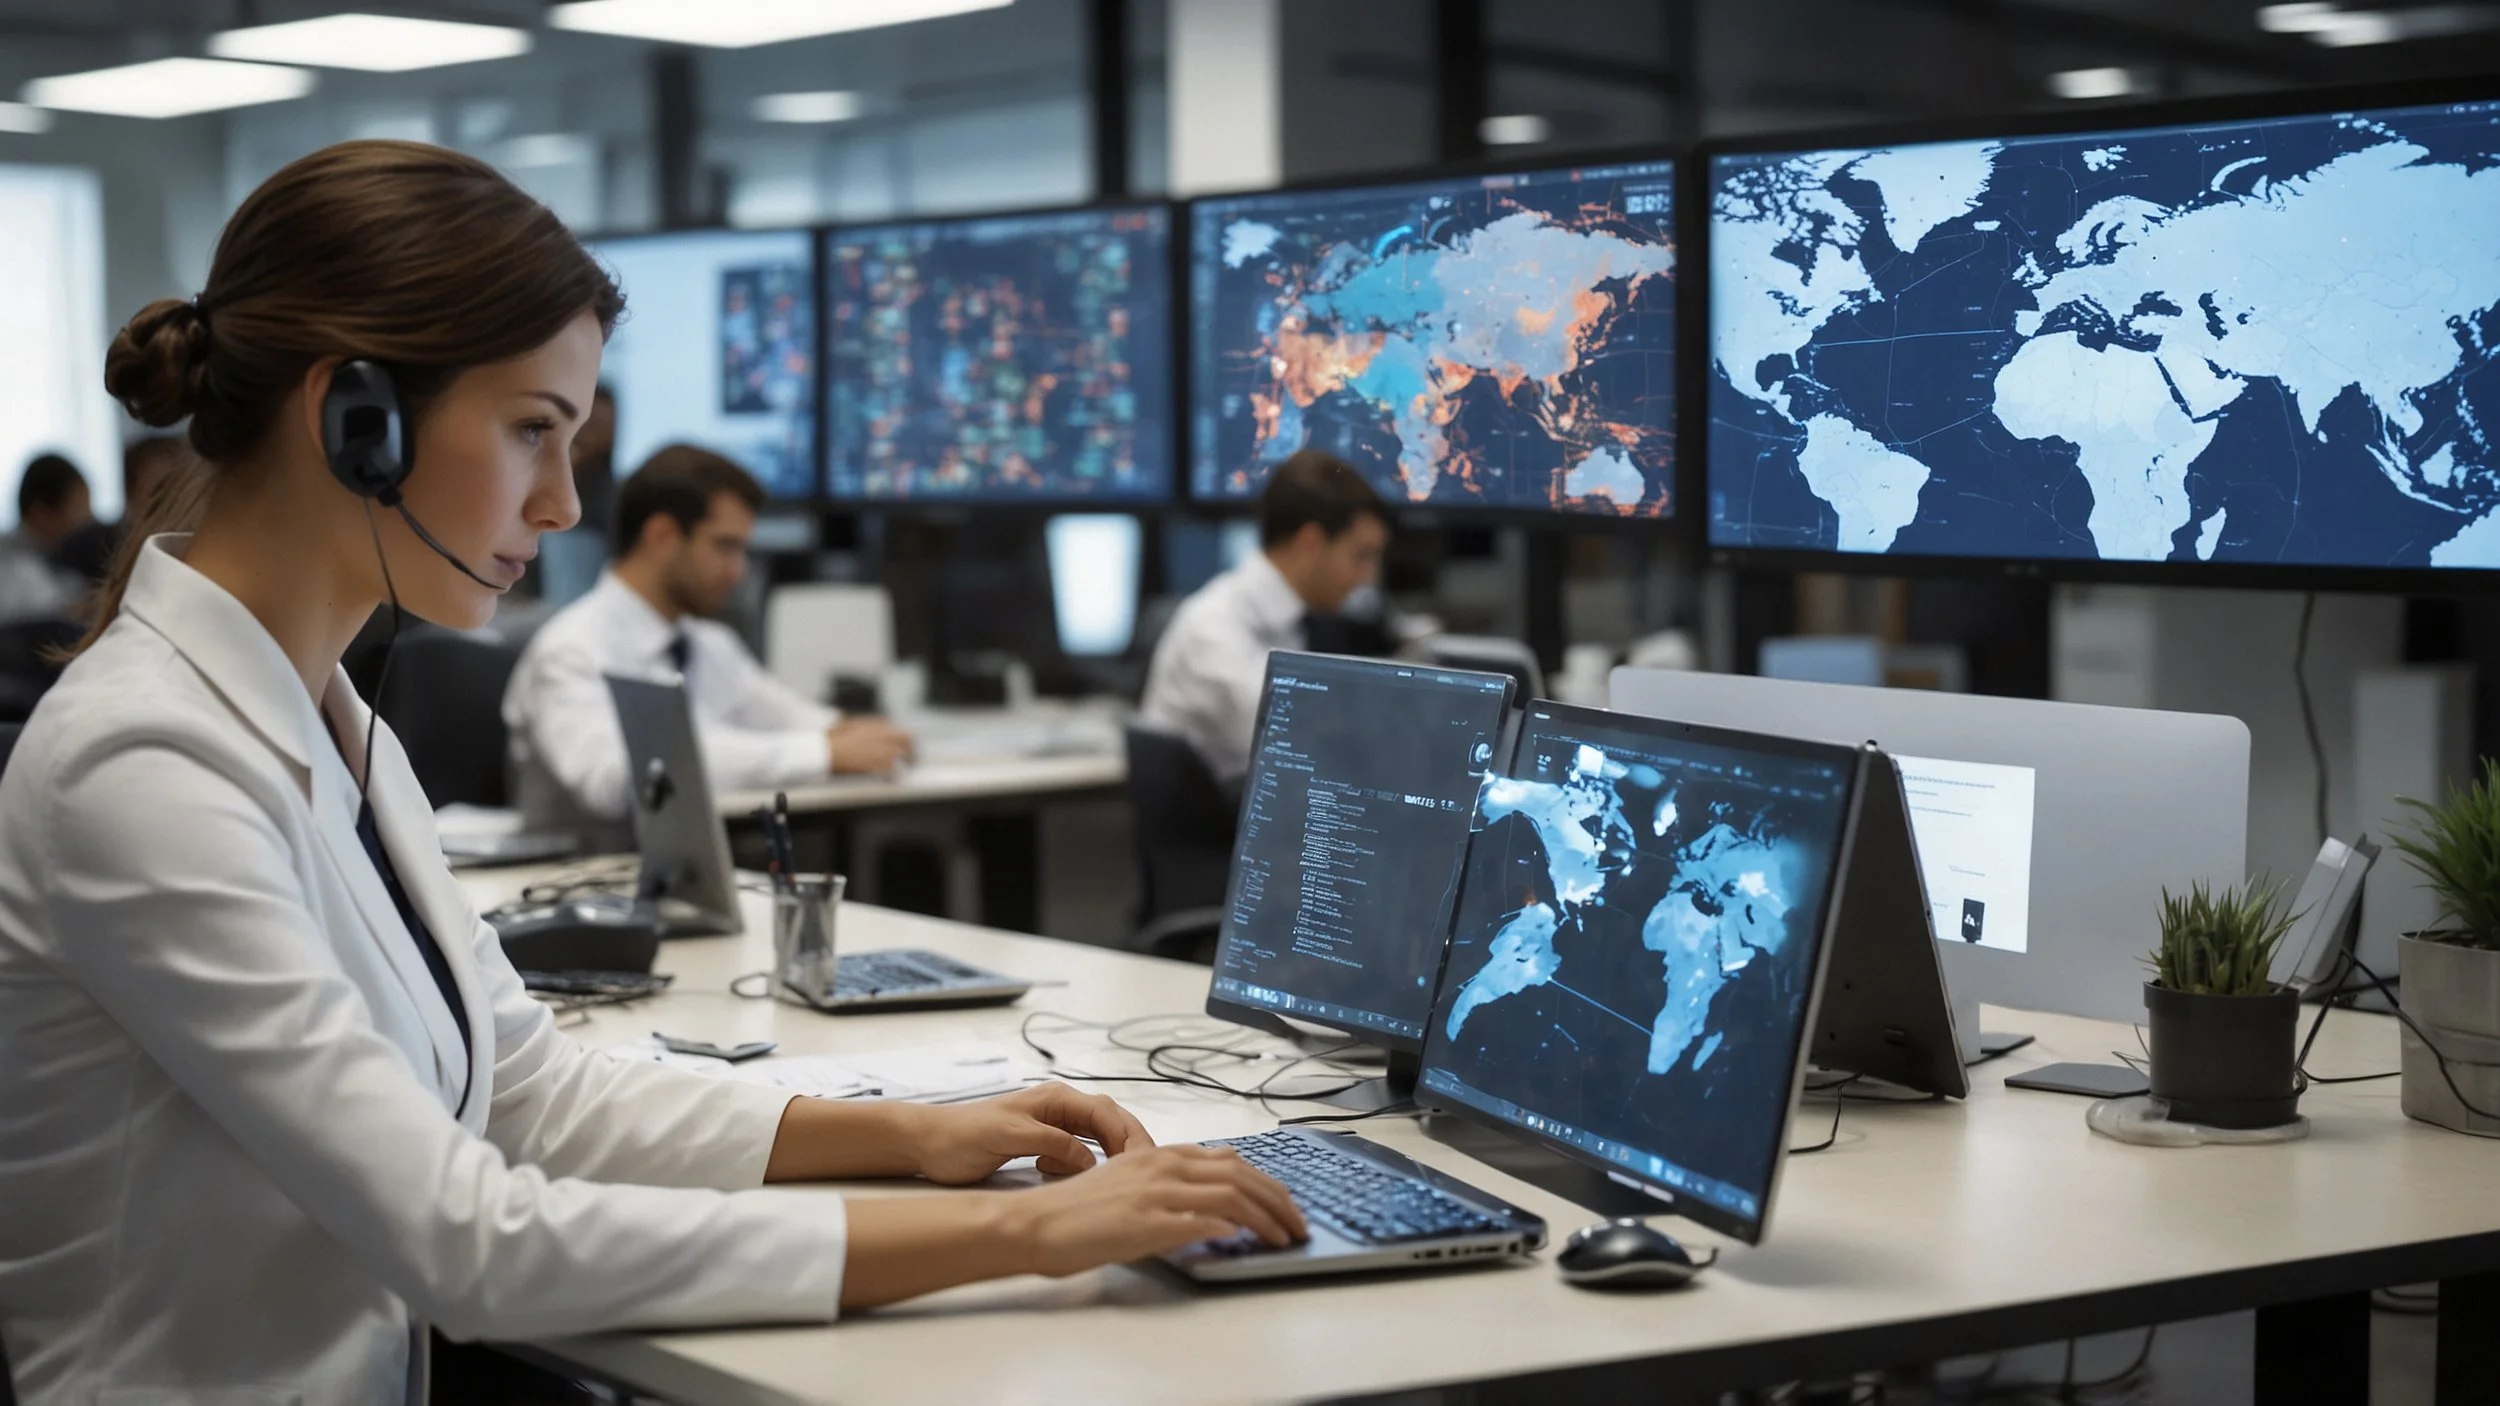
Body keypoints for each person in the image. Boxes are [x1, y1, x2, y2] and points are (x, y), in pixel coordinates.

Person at [0, 140, 1302, 1406]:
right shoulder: (143, 762)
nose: (564, 503)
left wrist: (914, 1130)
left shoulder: (334, 724)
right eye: (532, 432)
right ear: (357, 422)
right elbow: (472, 1239)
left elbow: (527, 1092)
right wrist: (1032, 1235)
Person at [503, 443, 918, 847]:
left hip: (683, 882)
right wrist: (821, 752)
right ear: (662, 535)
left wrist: (852, 733)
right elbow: (618, 779)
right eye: (725, 546)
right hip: (575, 886)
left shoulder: (707, 643)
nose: (738, 572)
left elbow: (787, 716)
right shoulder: (571, 649)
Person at [1140, 448, 1390, 783]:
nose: (1367, 577)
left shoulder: (1295, 621)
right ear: (1310, 542)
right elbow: (1301, 754)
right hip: (1218, 830)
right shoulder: (1214, 629)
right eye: (1361, 556)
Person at [531, 382, 613, 606]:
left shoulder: (607, 493)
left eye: (600, 426)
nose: (592, 435)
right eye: (588, 424)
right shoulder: (538, 472)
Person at [0, 453, 95, 623]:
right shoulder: (10, 563)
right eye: (79, 508)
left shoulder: (63, 559)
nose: (89, 519)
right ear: (41, 513)